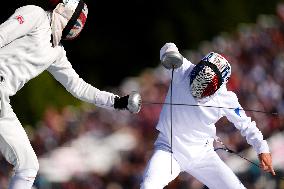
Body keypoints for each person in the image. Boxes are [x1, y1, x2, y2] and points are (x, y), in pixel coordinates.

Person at [0, 0, 141, 189]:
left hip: (2, 100)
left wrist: (116, 102)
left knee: (28, 166)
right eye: (76, 22)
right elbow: (1, 34)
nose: (76, 28)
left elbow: (78, 87)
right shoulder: (36, 15)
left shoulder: (56, 52)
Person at [140, 43, 275, 189]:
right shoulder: (182, 70)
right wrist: (169, 51)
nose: (199, 87)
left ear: (218, 86)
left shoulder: (225, 98)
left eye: (206, 86)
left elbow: (246, 125)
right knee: (148, 185)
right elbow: (168, 47)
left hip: (202, 155)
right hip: (169, 150)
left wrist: (262, 148)